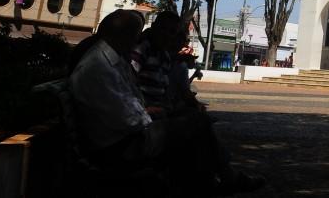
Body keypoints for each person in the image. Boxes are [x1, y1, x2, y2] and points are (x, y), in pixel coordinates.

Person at [69, 10, 264, 194]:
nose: (138, 39)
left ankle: (211, 180)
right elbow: (129, 119)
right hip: (121, 145)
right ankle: (222, 178)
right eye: (135, 34)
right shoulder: (103, 66)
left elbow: (130, 102)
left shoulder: (112, 60)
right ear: (122, 35)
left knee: (193, 123)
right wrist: (155, 114)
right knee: (196, 123)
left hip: (124, 134)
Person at [130, 10, 182, 112]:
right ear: (153, 26)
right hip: (141, 111)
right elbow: (128, 85)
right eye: (162, 28)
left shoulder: (165, 56)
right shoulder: (142, 49)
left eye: (172, 32)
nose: (166, 34)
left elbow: (164, 91)